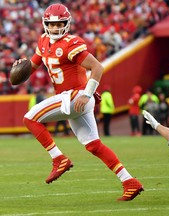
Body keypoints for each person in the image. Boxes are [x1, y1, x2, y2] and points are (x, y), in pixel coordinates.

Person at [12, 3, 143, 201]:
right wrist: (18, 69)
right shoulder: (43, 41)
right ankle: (129, 182)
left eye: (60, 24)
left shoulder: (70, 43)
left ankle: (59, 158)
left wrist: (87, 93)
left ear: (67, 23)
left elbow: (97, 67)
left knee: (29, 118)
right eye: (52, 25)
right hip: (72, 99)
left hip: (75, 97)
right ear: (45, 24)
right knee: (94, 145)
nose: (56, 29)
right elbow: (31, 68)